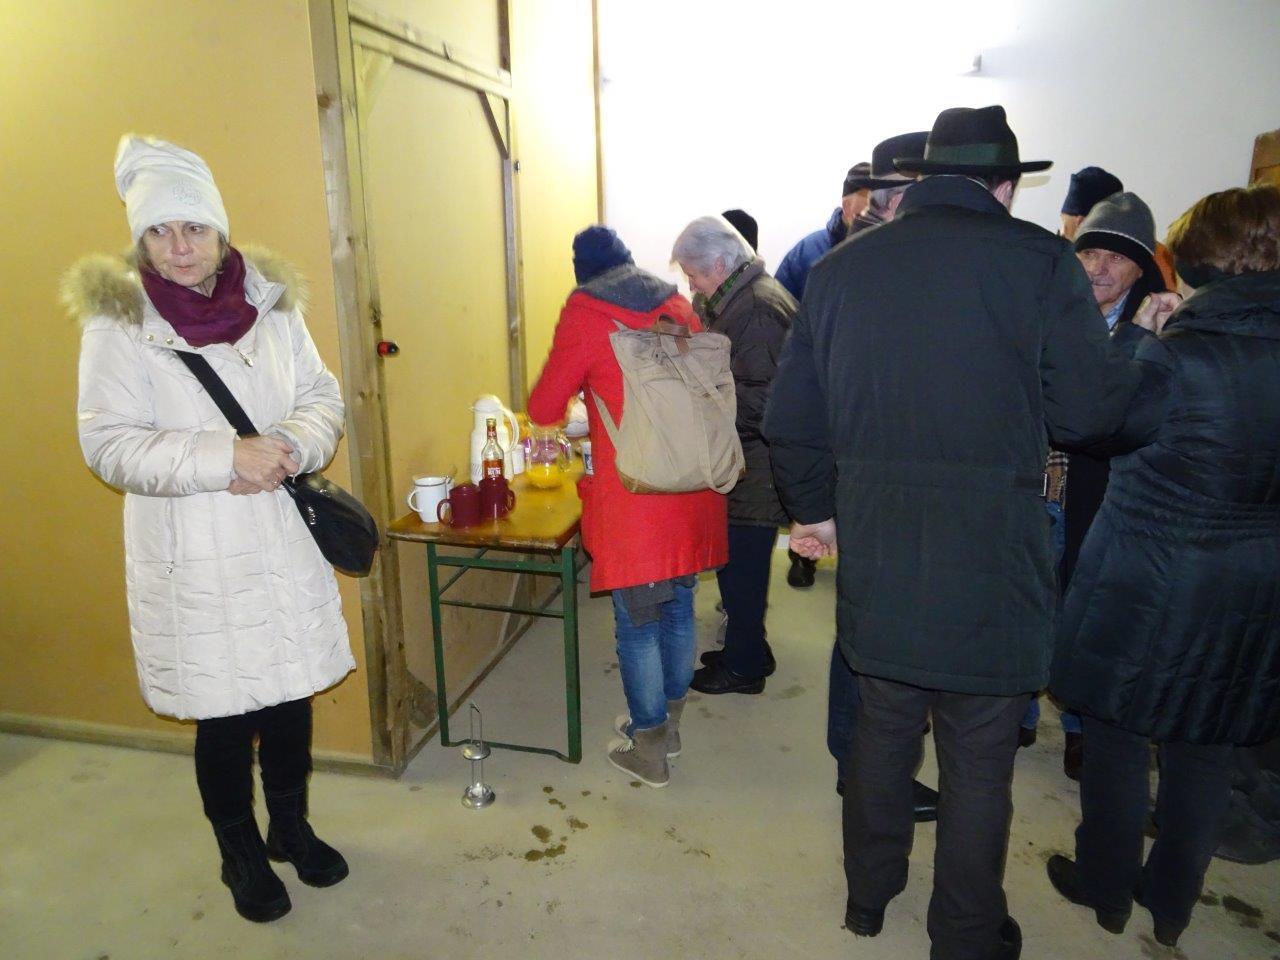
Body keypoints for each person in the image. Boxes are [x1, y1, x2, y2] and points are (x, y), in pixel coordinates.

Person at [764, 105, 1148, 960]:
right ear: (1005, 187)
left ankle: (868, 897)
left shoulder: (842, 267)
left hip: (883, 548)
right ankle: (966, 933)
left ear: (927, 176)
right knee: (978, 757)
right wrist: (1143, 363)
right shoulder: (1041, 262)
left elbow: (789, 418)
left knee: (882, 729)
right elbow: (1088, 415)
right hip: (994, 554)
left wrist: (817, 511)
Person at [67, 135, 355, 923]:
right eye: (159, 231)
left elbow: (322, 395)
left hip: (279, 538)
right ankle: (239, 854)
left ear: (220, 229)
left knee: (288, 695)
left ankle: (290, 828)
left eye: (192, 226)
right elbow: (108, 443)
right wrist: (224, 456)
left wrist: (290, 445)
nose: (179, 246)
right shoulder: (119, 323)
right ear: (140, 239)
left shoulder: (273, 304)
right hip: (192, 552)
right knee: (224, 714)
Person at [1047, 183, 1280, 949]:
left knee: (1116, 735)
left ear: (1200, 259)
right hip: (1255, 585)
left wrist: (1141, 342)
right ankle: (1172, 904)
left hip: (1149, 573)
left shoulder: (1181, 353)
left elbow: (1093, 423)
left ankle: (1105, 886)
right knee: (1205, 747)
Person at [527, 226, 728, 786]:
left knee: (638, 624)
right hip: (692, 487)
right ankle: (668, 727)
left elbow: (543, 408)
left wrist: (586, 398)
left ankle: (649, 749)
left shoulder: (585, 312)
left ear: (583, 275)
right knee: (679, 607)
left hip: (638, 500)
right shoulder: (676, 305)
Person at [1024, 192, 1170, 776]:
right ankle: (1019, 711)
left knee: (1089, 615)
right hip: (1035, 488)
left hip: (1105, 498)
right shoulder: (1044, 314)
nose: (1100, 269)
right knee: (1028, 601)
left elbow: (1129, 415)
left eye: (1117, 258)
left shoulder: (1155, 334)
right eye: (1090, 254)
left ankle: (1081, 728)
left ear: (1140, 271)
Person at [818, 131, 940, 823]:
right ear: (899, 198)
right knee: (869, 636)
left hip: (872, 475)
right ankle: (863, 770)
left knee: (865, 627)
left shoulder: (861, 258)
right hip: (879, 476)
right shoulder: (872, 264)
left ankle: (862, 766)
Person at [671, 216, 794, 695]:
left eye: (694, 274)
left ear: (719, 265)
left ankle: (743, 670)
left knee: (742, 571)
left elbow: (762, 403)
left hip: (755, 464)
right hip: (748, 459)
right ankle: (751, 650)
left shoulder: (756, 311)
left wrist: (701, 404)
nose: (691, 285)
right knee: (740, 565)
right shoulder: (746, 298)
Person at [774, 161, 871, 302]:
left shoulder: (889, 250)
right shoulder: (805, 255)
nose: (874, 221)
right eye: (865, 214)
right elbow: (777, 306)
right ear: (846, 206)